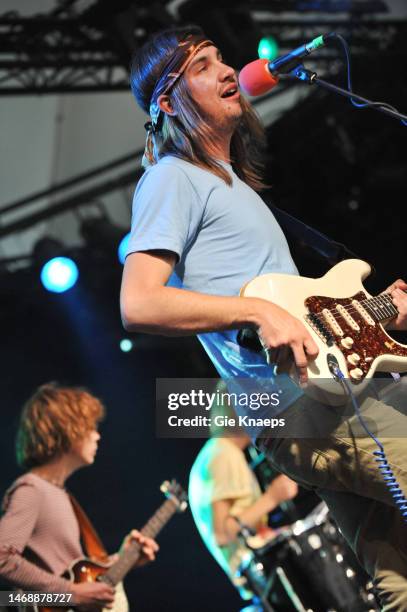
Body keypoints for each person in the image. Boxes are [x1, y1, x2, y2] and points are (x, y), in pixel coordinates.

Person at [120, 25, 407, 610]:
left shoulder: (234, 186)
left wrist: (380, 316)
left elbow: (307, 321)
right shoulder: (172, 178)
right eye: (202, 66)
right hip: (301, 406)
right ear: (169, 102)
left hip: (326, 396)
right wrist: (254, 309)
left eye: (222, 59)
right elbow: (139, 302)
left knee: (398, 577)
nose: (228, 70)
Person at [0, 383, 158, 610]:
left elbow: (70, 574)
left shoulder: (59, 494)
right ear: (68, 428)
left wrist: (123, 559)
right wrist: (70, 593)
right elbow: (3, 561)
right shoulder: (31, 489)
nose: (97, 435)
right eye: (91, 426)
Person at [188, 387, 298, 605]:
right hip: (263, 579)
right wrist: (272, 497)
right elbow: (222, 534)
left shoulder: (219, 452)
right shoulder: (223, 454)